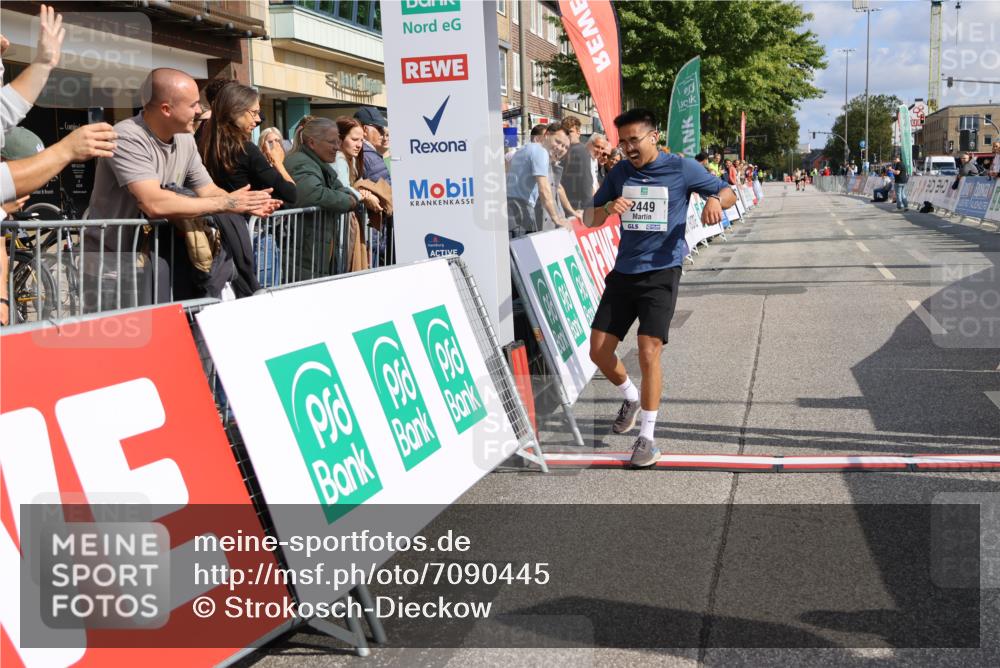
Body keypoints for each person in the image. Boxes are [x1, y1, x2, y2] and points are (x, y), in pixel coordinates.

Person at [582, 109, 736, 467]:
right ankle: (630, 397)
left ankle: (646, 438)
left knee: (648, 351)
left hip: (662, 272)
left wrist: (714, 199)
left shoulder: (682, 168)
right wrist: (608, 207)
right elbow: (588, 218)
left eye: (635, 139)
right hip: (624, 272)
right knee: (599, 353)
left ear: (654, 137)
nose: (629, 147)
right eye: (624, 141)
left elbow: (728, 192)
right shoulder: (620, 172)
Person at [84, 68, 280, 307]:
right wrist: (227, 203)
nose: (200, 111)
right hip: (113, 267)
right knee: (120, 342)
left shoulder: (185, 138)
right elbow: (153, 202)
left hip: (157, 264)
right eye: (193, 105)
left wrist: (244, 203)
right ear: (166, 109)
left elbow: (207, 190)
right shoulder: (126, 137)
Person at [505, 123, 571, 235]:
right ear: (547, 135)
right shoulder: (541, 151)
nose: (560, 148)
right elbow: (544, 189)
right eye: (558, 142)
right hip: (520, 212)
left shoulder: (525, 148)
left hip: (511, 210)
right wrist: (557, 219)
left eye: (565, 147)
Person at [354, 105, 390, 184]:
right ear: (365, 130)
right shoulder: (366, 156)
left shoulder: (368, 153)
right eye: (379, 128)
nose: (383, 133)